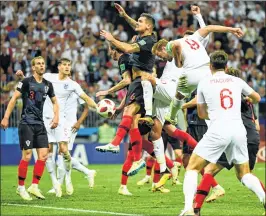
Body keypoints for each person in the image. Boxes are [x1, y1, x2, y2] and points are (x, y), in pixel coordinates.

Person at [179, 51, 265, 216]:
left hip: (219, 129)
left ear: (210, 66)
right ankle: (264, 197)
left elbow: (202, 114)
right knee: (244, 174)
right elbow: (256, 97)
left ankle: (188, 209)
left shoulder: (204, 83)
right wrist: (249, 100)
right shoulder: (237, 80)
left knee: (192, 167)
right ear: (226, 66)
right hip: (239, 131)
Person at [16, 58, 97, 197]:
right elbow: (33, 84)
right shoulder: (48, 77)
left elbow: (86, 98)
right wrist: (22, 77)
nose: (67, 67)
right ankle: (55, 183)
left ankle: (68, 179)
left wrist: (98, 106)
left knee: (64, 152)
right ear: (59, 67)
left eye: (69, 65)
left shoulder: (73, 85)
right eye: (64, 65)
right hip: (45, 121)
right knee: (47, 153)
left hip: (61, 121)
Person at [152, 21, 244, 125]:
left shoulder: (170, 44)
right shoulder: (194, 37)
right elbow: (209, 28)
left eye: (159, 55)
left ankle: (172, 116)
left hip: (190, 75)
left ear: (163, 48)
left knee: (178, 96)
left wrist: (178, 61)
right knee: (213, 99)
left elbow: (176, 46)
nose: (161, 58)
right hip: (208, 72)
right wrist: (232, 29)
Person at [1, 56, 59, 200]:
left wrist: (56, 116)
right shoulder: (26, 82)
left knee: (44, 155)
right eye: (38, 64)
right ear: (33, 67)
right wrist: (6, 117)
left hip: (40, 124)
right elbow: (14, 99)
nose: (41, 65)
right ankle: (21, 187)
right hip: (26, 123)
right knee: (27, 155)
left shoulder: (48, 85)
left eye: (43, 63)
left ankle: (34, 186)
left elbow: (55, 102)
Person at [100, 3, 157, 126]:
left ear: (148, 26)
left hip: (142, 81)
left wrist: (112, 39)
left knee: (129, 114)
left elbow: (128, 48)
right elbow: (136, 26)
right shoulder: (143, 37)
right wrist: (125, 16)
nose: (137, 23)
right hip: (139, 82)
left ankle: (115, 143)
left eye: (140, 21)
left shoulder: (148, 41)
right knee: (138, 125)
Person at [47, 84, 96, 195]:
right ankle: (87, 172)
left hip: (71, 126)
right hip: (59, 124)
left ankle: (58, 186)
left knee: (62, 154)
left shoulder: (76, 90)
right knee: (62, 155)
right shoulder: (58, 89)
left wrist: (79, 122)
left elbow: (86, 107)